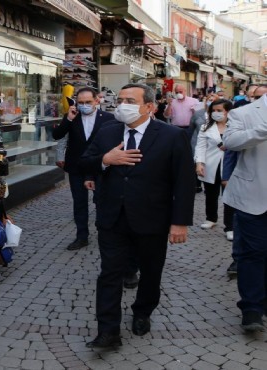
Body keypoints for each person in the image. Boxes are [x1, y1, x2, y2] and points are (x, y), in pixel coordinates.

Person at [79, 83, 195, 348]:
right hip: (112, 217)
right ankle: (108, 331)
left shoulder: (171, 136)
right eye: (119, 100)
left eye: (129, 100)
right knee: (109, 274)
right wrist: (106, 159)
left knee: (151, 272)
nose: (122, 105)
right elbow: (83, 163)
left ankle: (143, 311)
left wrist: (179, 222)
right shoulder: (107, 132)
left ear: (149, 106)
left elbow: (184, 182)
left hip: (152, 218)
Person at [222, 84, 267, 332]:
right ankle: (251, 308)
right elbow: (231, 141)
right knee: (252, 253)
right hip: (253, 196)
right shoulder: (244, 113)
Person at [52, 87, 115, 251]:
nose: (84, 105)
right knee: (79, 203)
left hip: (100, 166)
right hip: (77, 167)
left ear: (96, 101)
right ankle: (82, 236)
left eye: (88, 102)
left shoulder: (109, 118)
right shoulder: (72, 117)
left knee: (102, 200)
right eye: (80, 102)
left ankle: (105, 232)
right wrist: (69, 119)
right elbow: (57, 135)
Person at [194, 99, 235, 241]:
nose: (216, 113)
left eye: (219, 110)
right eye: (213, 111)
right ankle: (211, 218)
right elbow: (200, 146)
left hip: (230, 166)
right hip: (211, 165)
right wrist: (199, 163)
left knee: (229, 196)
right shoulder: (206, 127)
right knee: (210, 192)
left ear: (228, 111)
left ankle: (230, 226)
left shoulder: (236, 126)